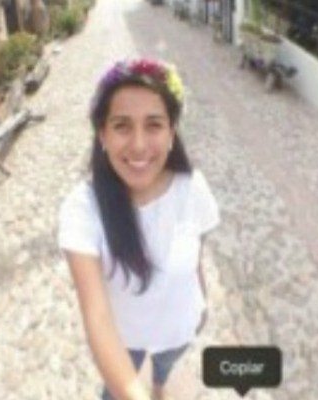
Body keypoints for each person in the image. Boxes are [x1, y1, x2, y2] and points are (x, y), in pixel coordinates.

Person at [58, 58, 220, 400]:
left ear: (172, 132)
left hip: (179, 329)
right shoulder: (82, 209)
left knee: (165, 367)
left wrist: (202, 302)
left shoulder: (194, 188)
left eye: (154, 125)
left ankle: (160, 383)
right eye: (122, 126)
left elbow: (197, 257)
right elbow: (97, 317)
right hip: (123, 340)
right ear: (102, 134)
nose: (139, 145)